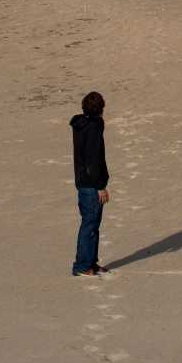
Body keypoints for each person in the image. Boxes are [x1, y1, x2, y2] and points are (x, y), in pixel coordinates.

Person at [70, 91, 110, 276]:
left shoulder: (81, 124)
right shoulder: (93, 128)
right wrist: (101, 186)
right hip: (91, 185)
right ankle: (82, 266)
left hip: (83, 181)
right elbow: (94, 161)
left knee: (92, 225)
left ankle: (90, 263)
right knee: (89, 224)